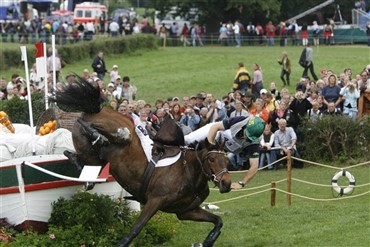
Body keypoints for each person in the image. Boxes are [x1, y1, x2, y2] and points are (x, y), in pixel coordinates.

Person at [184, 116, 265, 189]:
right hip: (214, 134)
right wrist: (209, 146)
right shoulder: (240, 120)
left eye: (249, 138)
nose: (245, 138)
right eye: (247, 134)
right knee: (188, 140)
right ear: (246, 126)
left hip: (223, 148)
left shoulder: (254, 143)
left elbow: (254, 166)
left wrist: (242, 183)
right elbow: (215, 127)